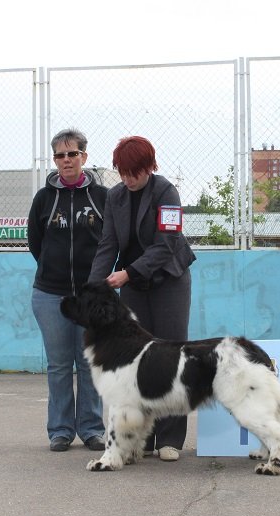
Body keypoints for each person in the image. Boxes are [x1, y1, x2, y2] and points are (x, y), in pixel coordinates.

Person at [88, 135, 196, 462]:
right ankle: (141, 439)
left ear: (149, 167)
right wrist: (94, 288)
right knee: (137, 361)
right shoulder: (115, 197)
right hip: (133, 285)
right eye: (122, 172)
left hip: (169, 281)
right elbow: (108, 244)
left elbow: (167, 244)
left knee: (172, 357)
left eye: (134, 172)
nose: (128, 179)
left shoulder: (166, 192)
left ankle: (171, 439)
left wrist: (127, 274)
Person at [27, 128, 108, 452]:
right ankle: (60, 430)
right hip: (51, 296)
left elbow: (110, 242)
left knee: (88, 363)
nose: (66, 160)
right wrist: (53, 272)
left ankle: (91, 429)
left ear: (84, 157)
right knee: (59, 365)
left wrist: (96, 281)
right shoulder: (44, 199)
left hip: (91, 298)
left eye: (72, 154)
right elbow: (36, 243)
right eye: (60, 155)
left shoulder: (101, 197)